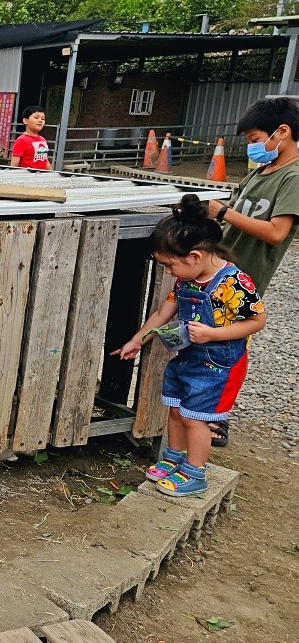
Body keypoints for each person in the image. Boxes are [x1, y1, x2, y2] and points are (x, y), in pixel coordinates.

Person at [112, 195, 264, 496]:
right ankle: (174, 459)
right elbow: (162, 312)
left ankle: (195, 473)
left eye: (169, 265)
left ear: (195, 256)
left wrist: (212, 334)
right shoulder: (187, 280)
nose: (168, 272)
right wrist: (137, 340)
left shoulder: (235, 283)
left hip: (220, 362)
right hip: (189, 356)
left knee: (197, 417)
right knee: (177, 410)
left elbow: (257, 321)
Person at [206, 97, 299, 296]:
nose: (251, 148)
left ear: (282, 131)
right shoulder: (258, 173)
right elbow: (234, 213)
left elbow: (276, 233)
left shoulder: (293, 178)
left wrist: (223, 212)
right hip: (219, 270)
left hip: (243, 282)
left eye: (255, 140)